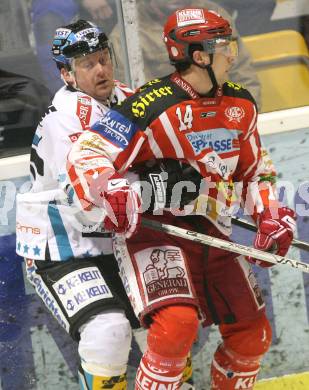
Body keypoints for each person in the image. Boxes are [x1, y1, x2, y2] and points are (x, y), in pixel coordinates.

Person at [66, 7, 297, 389]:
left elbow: (255, 172)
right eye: (225, 46)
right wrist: (109, 188)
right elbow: (87, 152)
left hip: (213, 229)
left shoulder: (240, 105)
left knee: (252, 335)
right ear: (199, 55)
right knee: (176, 328)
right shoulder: (147, 105)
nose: (232, 54)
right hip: (156, 233)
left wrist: (270, 214)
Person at [15, 19, 139, 390]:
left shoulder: (130, 100)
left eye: (103, 58)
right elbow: (89, 199)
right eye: (87, 64)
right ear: (66, 74)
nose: (100, 69)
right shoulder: (63, 121)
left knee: (167, 324)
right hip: (62, 245)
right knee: (108, 332)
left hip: (116, 239)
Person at [111, 0, 262, 109]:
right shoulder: (127, 33)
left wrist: (246, 113)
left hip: (223, 113)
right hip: (171, 124)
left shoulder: (214, 17)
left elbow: (243, 74)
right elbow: (135, 99)